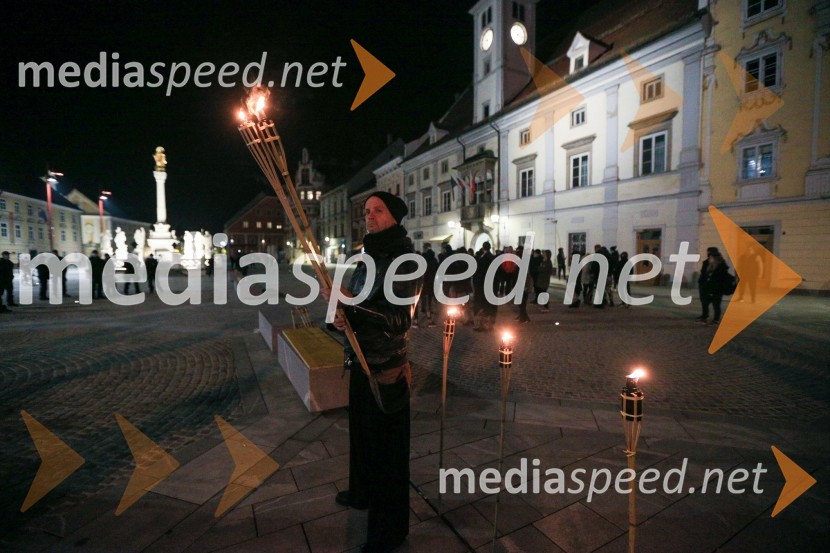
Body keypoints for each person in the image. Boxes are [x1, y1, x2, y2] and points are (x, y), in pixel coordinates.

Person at [321, 191, 420, 553]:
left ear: (394, 216)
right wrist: (337, 310)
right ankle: (361, 493)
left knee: (387, 454)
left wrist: (348, 303)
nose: (369, 216)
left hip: (386, 369)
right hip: (360, 361)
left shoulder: (406, 259)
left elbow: (398, 319)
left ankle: (390, 530)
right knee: (361, 438)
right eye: (366, 211)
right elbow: (355, 307)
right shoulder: (368, 257)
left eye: (377, 210)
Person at [698, 249, 730, 325]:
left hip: (717, 289)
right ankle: (704, 317)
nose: (709, 259)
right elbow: (704, 275)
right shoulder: (708, 264)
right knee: (705, 303)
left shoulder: (721, 266)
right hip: (707, 288)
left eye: (711, 257)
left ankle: (716, 319)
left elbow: (721, 278)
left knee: (716, 304)